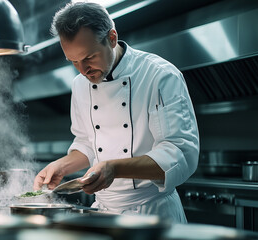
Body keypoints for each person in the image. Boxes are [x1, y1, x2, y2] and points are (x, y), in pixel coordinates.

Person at [33, 2, 199, 223]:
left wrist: (115, 168)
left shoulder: (160, 76)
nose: (83, 70)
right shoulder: (80, 85)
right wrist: (61, 166)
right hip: (103, 213)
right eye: (73, 62)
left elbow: (181, 154)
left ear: (112, 38)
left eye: (89, 57)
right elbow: (86, 144)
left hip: (154, 213)